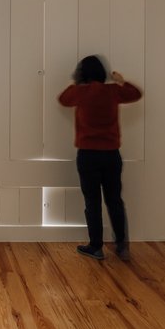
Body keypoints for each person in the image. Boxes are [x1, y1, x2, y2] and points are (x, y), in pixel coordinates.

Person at [58, 55, 142, 261]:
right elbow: (136, 94)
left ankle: (96, 247)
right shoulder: (113, 91)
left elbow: (63, 99)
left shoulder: (80, 92)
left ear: (82, 73)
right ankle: (121, 245)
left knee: (92, 201)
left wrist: (76, 81)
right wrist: (121, 80)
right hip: (111, 155)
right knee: (115, 200)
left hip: (88, 156)